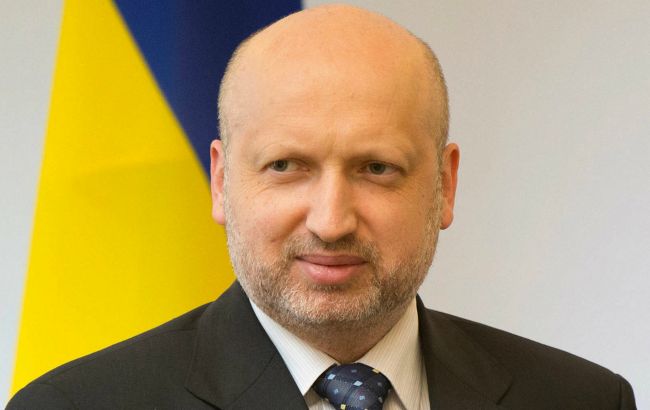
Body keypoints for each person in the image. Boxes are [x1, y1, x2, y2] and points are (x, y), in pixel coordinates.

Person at [8, 4, 636, 409]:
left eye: (377, 169)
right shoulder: (73, 406)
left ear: (445, 185)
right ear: (221, 182)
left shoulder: (582, 400)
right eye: (286, 167)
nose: (331, 222)